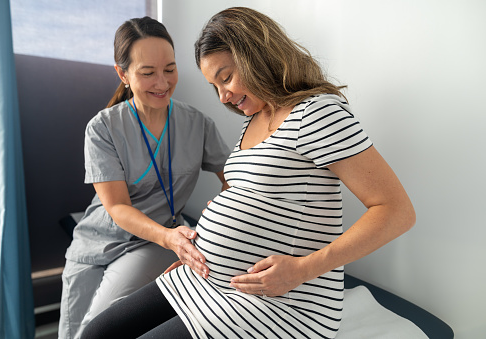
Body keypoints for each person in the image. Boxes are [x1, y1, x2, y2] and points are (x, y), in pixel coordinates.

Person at [81, 7, 416, 339]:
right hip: (208, 279)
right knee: (98, 331)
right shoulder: (251, 123)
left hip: (282, 302)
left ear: (256, 55)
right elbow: (250, 200)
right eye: (215, 85)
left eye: (226, 77)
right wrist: (208, 247)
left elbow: (396, 211)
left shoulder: (317, 113)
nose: (223, 95)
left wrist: (303, 269)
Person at [58, 16, 230, 339]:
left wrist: (217, 213)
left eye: (169, 69)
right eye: (148, 73)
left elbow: (233, 176)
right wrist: (170, 238)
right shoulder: (102, 128)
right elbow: (118, 208)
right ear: (122, 74)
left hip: (153, 241)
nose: (162, 83)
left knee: (93, 332)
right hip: (94, 243)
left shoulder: (198, 125)